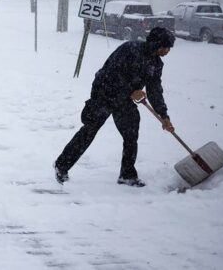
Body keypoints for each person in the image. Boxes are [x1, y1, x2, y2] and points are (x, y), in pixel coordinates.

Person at [54, 27, 176, 187]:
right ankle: (61, 166)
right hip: (104, 92)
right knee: (89, 130)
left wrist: (164, 115)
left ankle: (127, 174)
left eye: (169, 48)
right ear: (155, 43)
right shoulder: (130, 49)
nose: (167, 51)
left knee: (131, 134)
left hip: (124, 100)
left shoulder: (156, 64)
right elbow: (111, 73)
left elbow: (155, 90)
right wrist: (131, 91)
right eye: (165, 47)